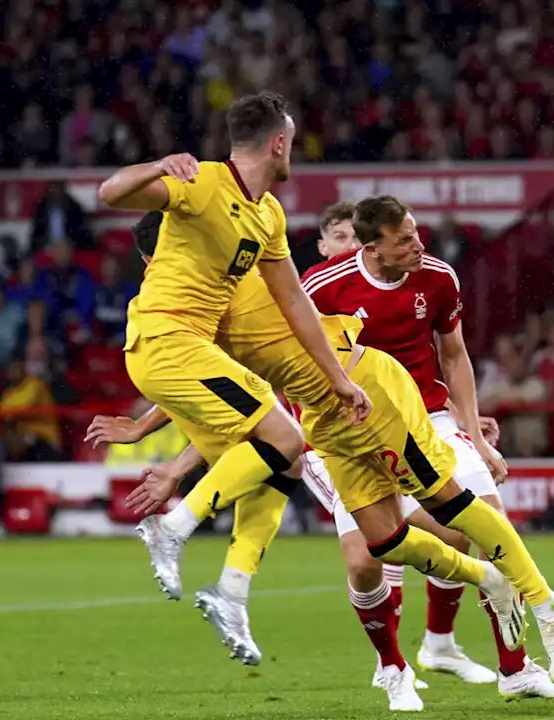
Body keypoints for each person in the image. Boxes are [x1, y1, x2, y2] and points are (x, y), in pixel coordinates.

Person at [95, 91, 372, 620]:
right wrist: (160, 164)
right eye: (292, 142)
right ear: (279, 143)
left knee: (282, 456)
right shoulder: (201, 182)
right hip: (165, 338)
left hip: (192, 353)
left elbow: (295, 302)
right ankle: (171, 528)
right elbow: (110, 192)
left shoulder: (267, 215)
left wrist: (336, 378)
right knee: (286, 437)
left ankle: (232, 592)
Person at [301, 198, 554, 699]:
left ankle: (515, 666)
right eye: (404, 239)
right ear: (373, 248)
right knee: (367, 561)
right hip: (352, 427)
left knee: (484, 516)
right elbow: (295, 361)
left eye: (416, 233)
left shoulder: (438, 278)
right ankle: (393, 665)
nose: (418, 245)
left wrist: (473, 434)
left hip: (429, 417)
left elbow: (455, 356)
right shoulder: (323, 287)